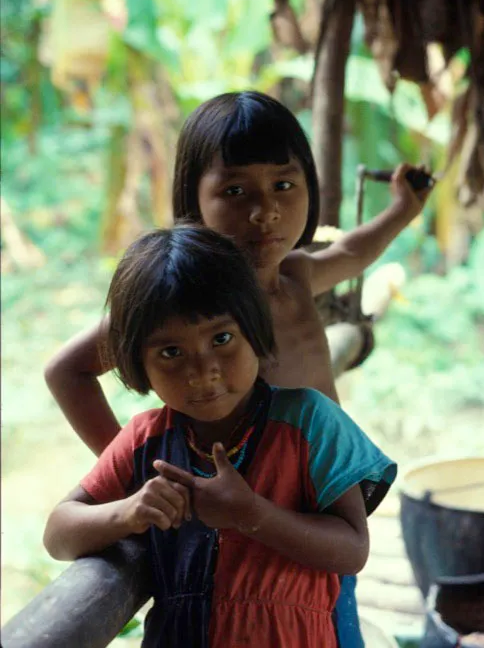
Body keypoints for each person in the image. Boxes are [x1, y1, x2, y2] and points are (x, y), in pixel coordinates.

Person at [44, 224, 397, 648]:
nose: (201, 370)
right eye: (170, 352)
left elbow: (352, 550)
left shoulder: (310, 423)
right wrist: (130, 511)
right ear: (137, 361)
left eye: (222, 338)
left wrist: (251, 514)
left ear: (255, 332)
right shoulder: (145, 439)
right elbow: (58, 534)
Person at [44, 90, 432, 456]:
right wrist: (129, 470)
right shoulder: (188, 298)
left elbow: (351, 250)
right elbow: (67, 371)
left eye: (282, 184)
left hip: (326, 481)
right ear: (192, 196)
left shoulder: (296, 275)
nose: (266, 210)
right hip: (249, 504)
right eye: (234, 191)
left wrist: (404, 209)